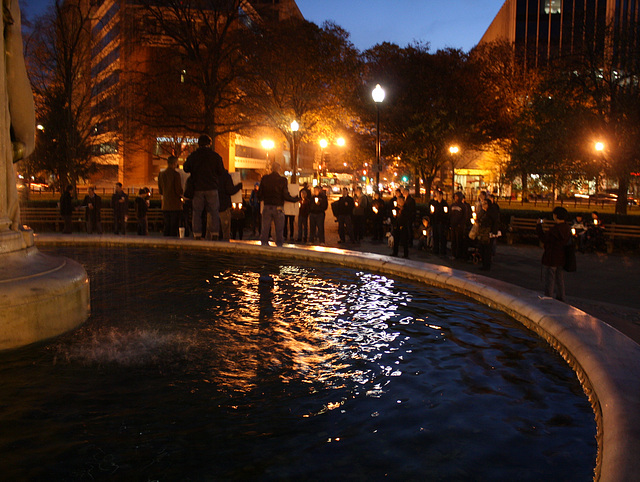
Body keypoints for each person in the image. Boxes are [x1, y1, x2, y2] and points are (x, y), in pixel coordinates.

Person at [183, 134, 226, 240]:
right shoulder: (215, 156)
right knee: (214, 211)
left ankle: (197, 233)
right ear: (209, 144)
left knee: (197, 212)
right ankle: (215, 233)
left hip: (197, 188)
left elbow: (186, 168)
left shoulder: (194, 156)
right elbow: (221, 171)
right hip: (212, 187)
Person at [258, 161, 298, 247]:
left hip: (267, 206)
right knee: (279, 230)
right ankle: (279, 247)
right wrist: (295, 199)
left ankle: (264, 245)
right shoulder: (283, 180)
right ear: (279, 169)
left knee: (265, 229)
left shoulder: (265, 179)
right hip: (278, 207)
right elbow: (285, 195)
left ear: (271, 169)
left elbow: (259, 195)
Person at [536, 206, 571, 301]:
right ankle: (561, 297)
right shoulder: (567, 227)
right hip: (562, 256)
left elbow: (544, 238)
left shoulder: (555, 230)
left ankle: (548, 296)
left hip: (552, 256)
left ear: (556, 216)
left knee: (550, 278)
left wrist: (539, 226)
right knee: (559, 278)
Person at [158, 155, 183, 237]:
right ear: (174, 163)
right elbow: (178, 190)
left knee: (167, 225)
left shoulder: (161, 174)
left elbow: (160, 191)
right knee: (174, 226)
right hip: (175, 204)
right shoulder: (176, 175)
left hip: (165, 204)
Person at [215, 169, 242, 240]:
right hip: (224, 206)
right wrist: (239, 186)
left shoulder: (212, 175)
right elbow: (230, 190)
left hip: (212, 206)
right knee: (225, 230)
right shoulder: (226, 177)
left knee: (212, 230)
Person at [476, 198, 500, 270]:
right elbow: (478, 219)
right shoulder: (482, 212)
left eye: (485, 203)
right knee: (482, 248)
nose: (483, 205)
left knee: (487, 249)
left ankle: (487, 265)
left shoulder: (492, 213)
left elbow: (495, 222)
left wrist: (493, 232)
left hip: (489, 232)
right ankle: (483, 263)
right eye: (483, 203)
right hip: (482, 232)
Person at [450, 191, 471, 260]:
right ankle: (453, 254)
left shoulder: (463, 206)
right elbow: (450, 215)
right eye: (455, 196)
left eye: (457, 196)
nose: (456, 198)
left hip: (460, 227)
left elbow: (465, 216)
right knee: (453, 240)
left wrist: (461, 224)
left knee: (459, 240)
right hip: (453, 225)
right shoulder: (452, 205)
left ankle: (459, 254)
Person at [429, 189, 449, 256]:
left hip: (441, 222)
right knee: (435, 236)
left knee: (442, 236)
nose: (436, 196)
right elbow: (432, 212)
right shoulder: (435, 203)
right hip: (435, 222)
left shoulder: (444, 204)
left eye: (438, 195)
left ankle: (443, 250)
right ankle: (436, 249)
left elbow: (446, 214)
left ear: (441, 195)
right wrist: (432, 213)